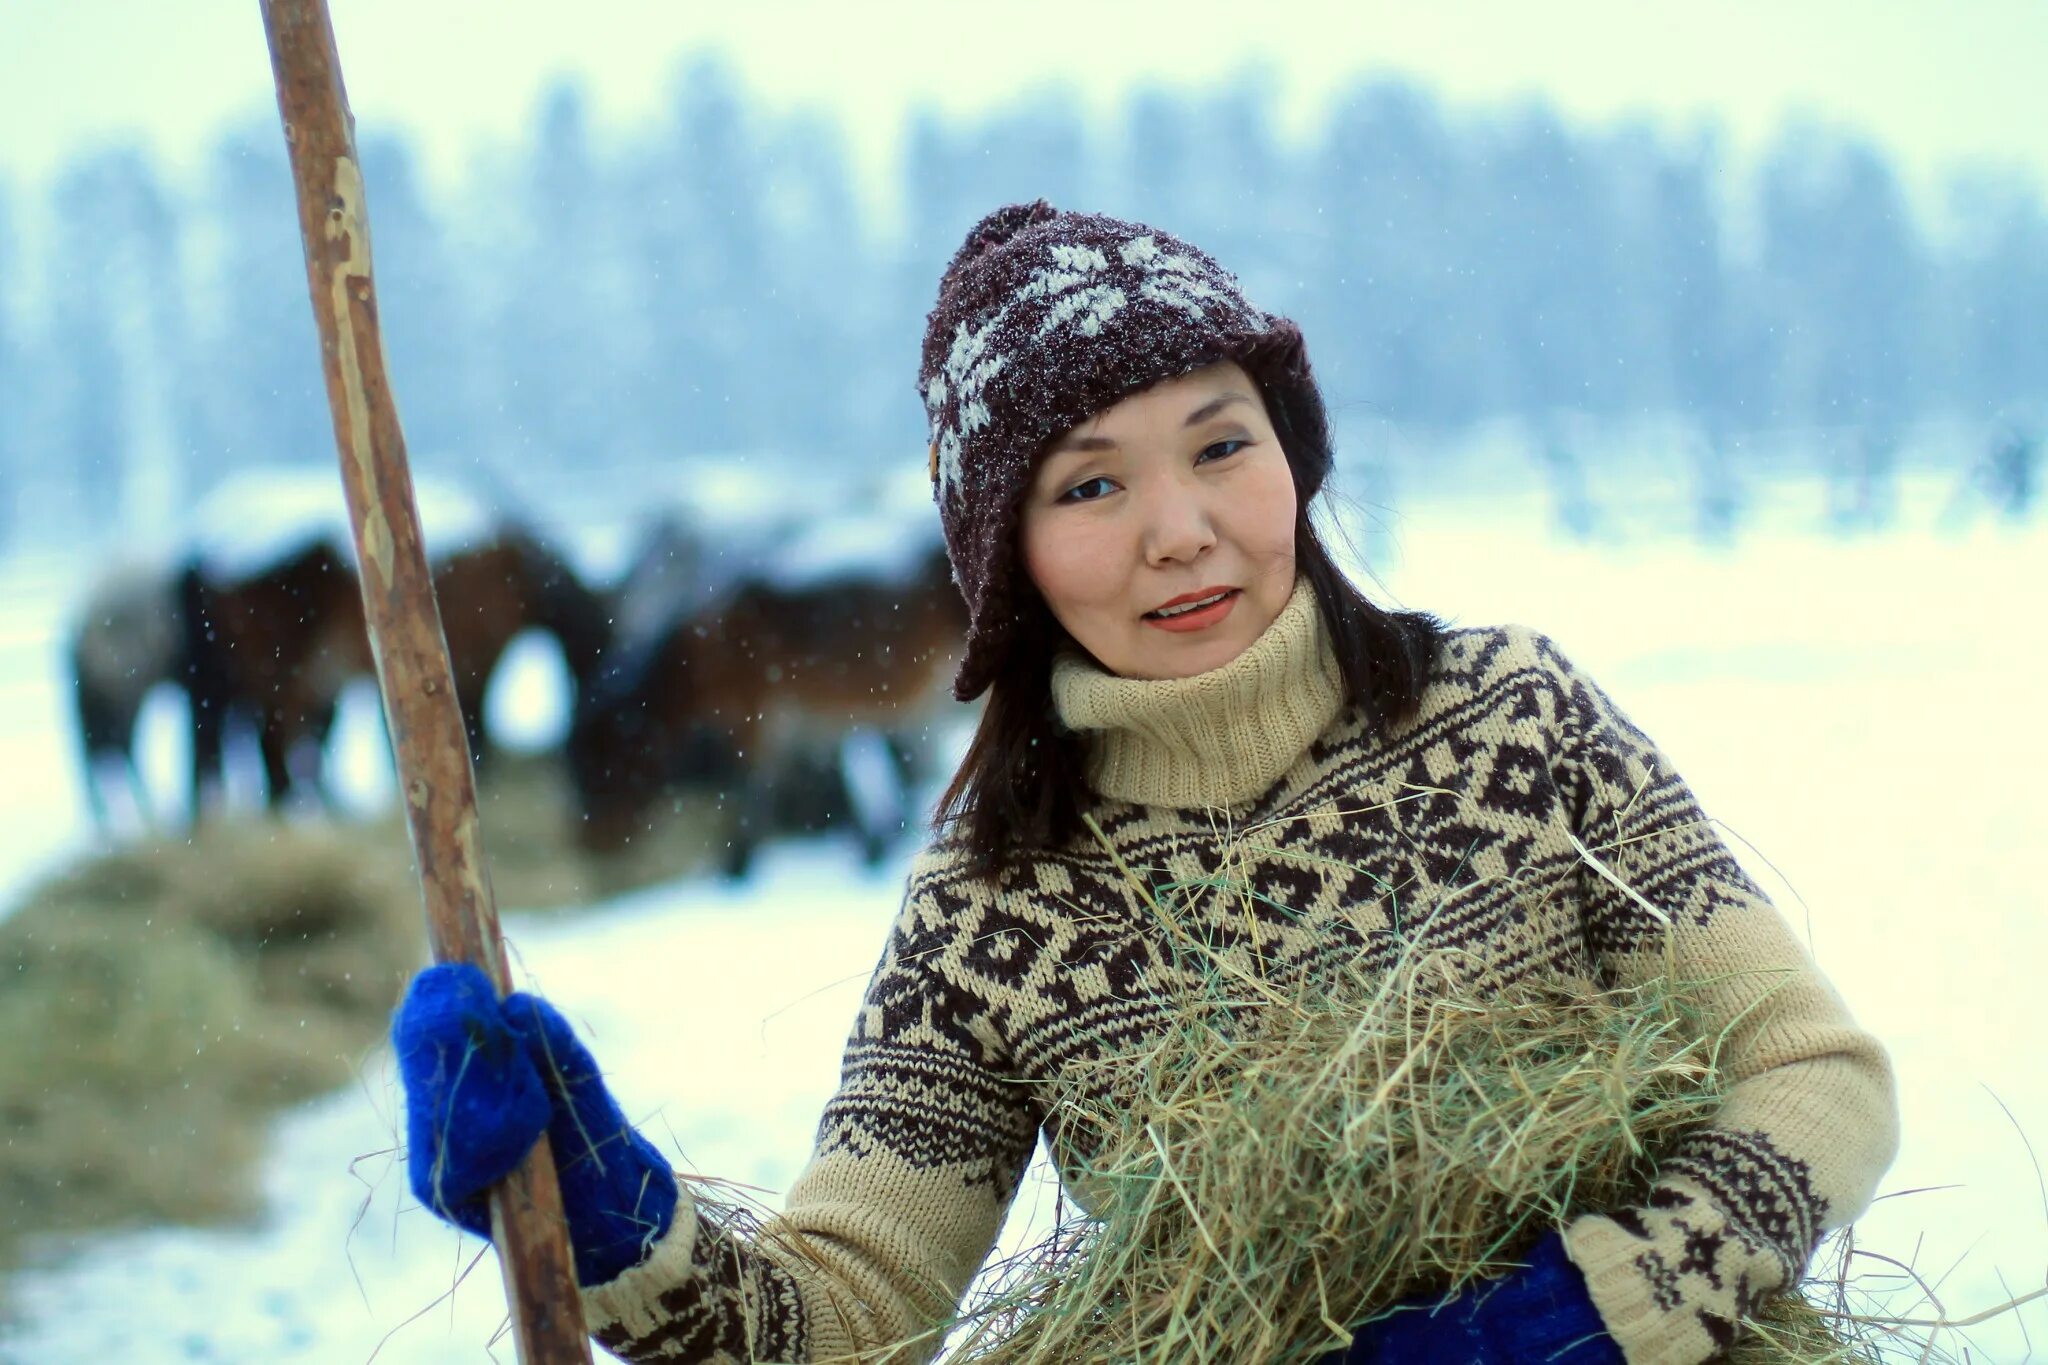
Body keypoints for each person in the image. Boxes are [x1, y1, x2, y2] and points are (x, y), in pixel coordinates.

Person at [394, 201, 1899, 1364]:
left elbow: (1814, 1067)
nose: (1179, 529)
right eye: (1092, 484)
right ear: (1009, 561)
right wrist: (606, 1218)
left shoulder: (1513, 719)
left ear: (1292, 460)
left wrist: (1603, 1306)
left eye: (1220, 445)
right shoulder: (999, 898)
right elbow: (842, 1308)